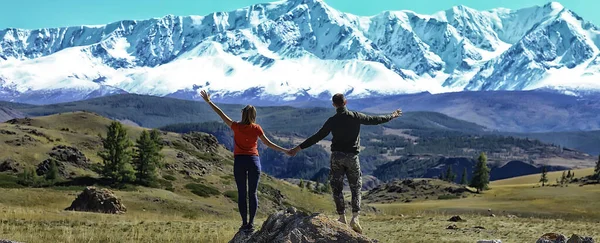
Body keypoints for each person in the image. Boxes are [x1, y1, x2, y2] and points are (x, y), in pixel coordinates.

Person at [287, 93, 402, 234]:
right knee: (356, 187)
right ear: (345, 102)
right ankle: (355, 218)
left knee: (337, 187)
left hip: (336, 157)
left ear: (333, 104)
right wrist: (392, 115)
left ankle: (341, 217)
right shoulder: (355, 116)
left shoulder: (332, 120)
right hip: (352, 157)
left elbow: (317, 137)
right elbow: (376, 119)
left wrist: (297, 148)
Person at [200, 90, 290, 233]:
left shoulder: (236, 126)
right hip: (254, 161)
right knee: (252, 193)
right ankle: (251, 223)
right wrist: (285, 150)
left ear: (243, 114)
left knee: (242, 193)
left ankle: (244, 224)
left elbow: (221, 114)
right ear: (254, 115)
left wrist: (209, 101)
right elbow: (269, 144)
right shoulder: (257, 128)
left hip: (240, 162)